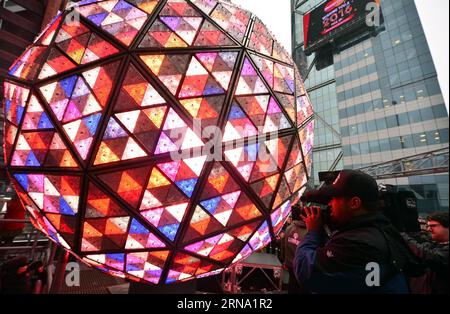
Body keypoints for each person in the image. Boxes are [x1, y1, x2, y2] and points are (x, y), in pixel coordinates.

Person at [294, 170, 414, 294]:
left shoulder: (355, 243)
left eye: (334, 198)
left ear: (354, 203)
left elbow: (304, 270)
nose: (329, 204)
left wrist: (313, 231)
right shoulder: (381, 228)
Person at [402, 212, 449, 294]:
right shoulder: (430, 245)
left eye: (433, 226)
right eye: (428, 226)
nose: (428, 229)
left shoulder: (441, 251)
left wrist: (403, 237)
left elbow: (429, 256)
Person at [283, 204, 308, 294]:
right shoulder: (310, 233)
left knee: (292, 285)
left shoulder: (289, 228)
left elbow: (283, 246)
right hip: (303, 269)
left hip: (290, 265)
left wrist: (285, 261)